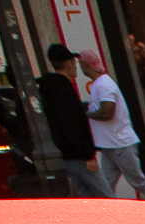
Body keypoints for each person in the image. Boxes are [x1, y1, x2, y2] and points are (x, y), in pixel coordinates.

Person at [79, 49, 145, 199]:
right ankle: (108, 211)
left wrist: (86, 114)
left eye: (80, 63)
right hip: (112, 144)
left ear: (85, 64)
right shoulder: (101, 84)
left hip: (119, 144)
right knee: (108, 183)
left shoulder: (104, 85)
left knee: (136, 181)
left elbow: (107, 112)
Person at [38, 43, 108, 196]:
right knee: (106, 196)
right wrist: (88, 155)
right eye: (74, 62)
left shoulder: (47, 88)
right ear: (68, 63)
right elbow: (71, 124)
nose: (75, 66)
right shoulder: (63, 89)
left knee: (86, 198)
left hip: (67, 155)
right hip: (79, 156)